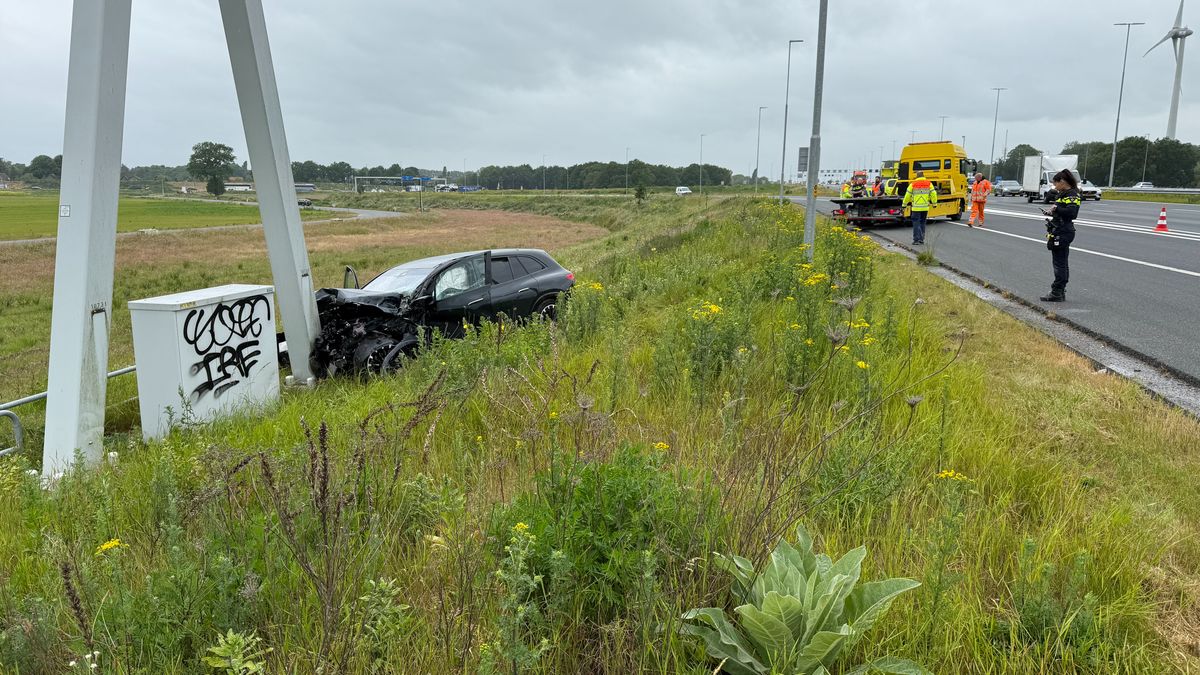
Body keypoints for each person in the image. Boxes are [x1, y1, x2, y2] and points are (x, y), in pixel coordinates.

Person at [1040, 169, 1080, 302]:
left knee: (1060, 263)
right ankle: (1059, 291)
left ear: (1062, 181)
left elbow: (1072, 213)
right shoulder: (1063, 194)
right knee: (1060, 262)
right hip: (1059, 229)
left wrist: (1057, 209)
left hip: (1063, 231)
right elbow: (1061, 211)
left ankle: (1057, 291)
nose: (1055, 186)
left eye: (1055, 183)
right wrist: (1051, 212)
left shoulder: (1072, 195)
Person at [902, 171, 937, 245]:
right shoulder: (929, 184)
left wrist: (904, 205)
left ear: (917, 176)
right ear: (923, 176)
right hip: (925, 208)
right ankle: (921, 239)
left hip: (916, 208)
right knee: (922, 222)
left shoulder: (913, 184)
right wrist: (934, 203)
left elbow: (907, 196)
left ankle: (916, 240)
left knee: (916, 223)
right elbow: (933, 194)